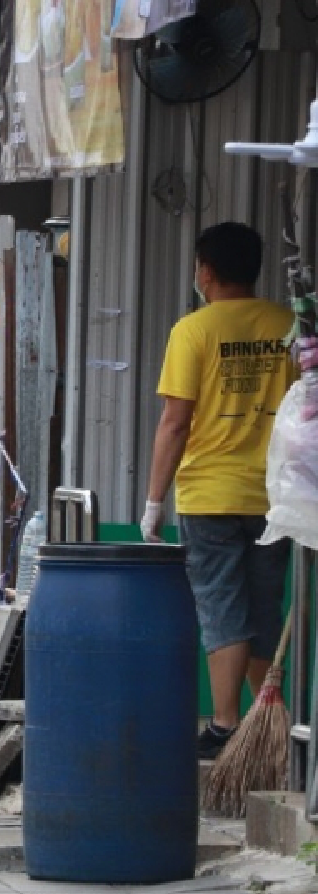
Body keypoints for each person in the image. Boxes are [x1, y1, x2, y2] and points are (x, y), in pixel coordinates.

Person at [141, 222, 297, 759]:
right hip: (276, 495)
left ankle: (227, 724)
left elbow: (174, 422)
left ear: (205, 272)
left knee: (221, 605)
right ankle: (269, 723)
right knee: (262, 604)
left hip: (209, 492)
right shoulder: (287, 325)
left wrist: (153, 501)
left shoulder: (194, 330)